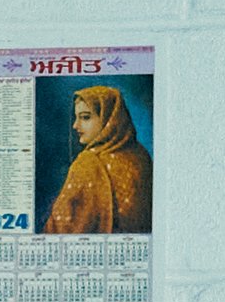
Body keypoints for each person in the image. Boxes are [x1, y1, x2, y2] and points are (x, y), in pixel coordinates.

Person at [41, 84, 151, 234]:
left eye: (85, 117)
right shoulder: (141, 156)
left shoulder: (89, 163)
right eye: (76, 118)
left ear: (109, 119)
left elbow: (59, 230)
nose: (75, 125)